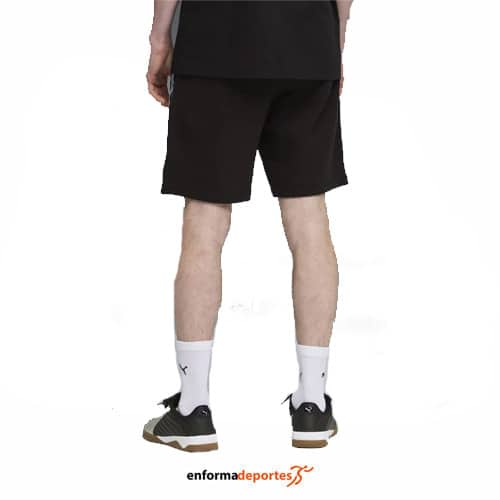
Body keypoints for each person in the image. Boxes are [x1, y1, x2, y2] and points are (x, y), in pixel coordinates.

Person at [143, 0, 353, 452]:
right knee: (309, 219)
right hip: (307, 43)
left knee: (205, 221)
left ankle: (192, 409)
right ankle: (312, 403)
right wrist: (334, 37)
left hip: (216, 44)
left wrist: (160, 38)